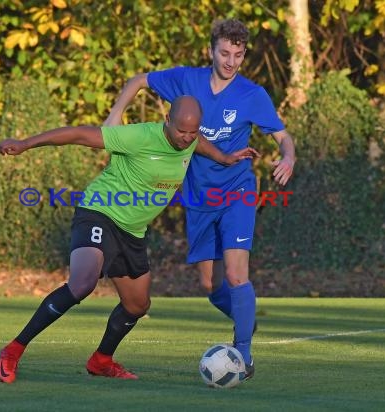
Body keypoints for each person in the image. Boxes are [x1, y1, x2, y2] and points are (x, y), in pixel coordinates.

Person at [0, 95, 255, 383]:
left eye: (193, 132)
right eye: (181, 131)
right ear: (167, 120)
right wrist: (24, 143)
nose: (186, 138)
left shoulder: (191, 138)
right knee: (82, 283)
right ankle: (13, 350)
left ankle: (101, 360)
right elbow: (80, 134)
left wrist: (224, 157)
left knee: (137, 306)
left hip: (132, 231)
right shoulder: (138, 136)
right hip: (99, 213)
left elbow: (200, 143)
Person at [105, 19, 296, 380]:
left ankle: (243, 354)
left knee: (238, 275)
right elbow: (138, 81)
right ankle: (245, 322)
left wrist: (288, 157)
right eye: (225, 53)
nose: (231, 61)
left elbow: (283, 137)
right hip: (198, 196)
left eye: (238, 55)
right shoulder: (185, 81)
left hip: (238, 190)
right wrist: (116, 114)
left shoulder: (252, 95)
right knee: (210, 287)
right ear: (211, 50)